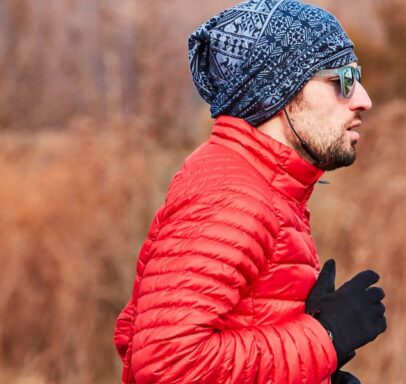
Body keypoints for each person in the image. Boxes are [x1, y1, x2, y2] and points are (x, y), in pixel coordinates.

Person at [113, 1, 387, 383]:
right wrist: (326, 338)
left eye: (357, 76)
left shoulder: (266, 188)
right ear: (280, 90)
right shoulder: (230, 199)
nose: (363, 98)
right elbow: (166, 366)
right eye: (342, 78)